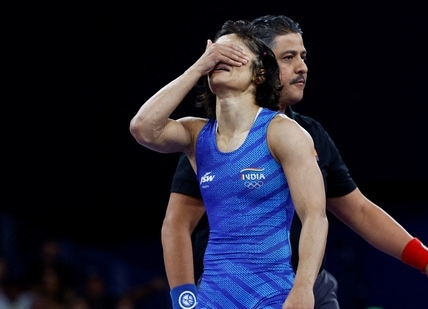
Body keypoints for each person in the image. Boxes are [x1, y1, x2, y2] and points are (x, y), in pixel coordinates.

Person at [161, 15, 428, 309]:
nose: (302, 67)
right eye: (288, 58)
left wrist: (427, 260)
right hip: (232, 291)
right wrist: (185, 299)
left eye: (303, 57)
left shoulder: (308, 134)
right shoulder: (213, 139)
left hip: (306, 288)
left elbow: (359, 211)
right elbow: (176, 225)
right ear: (259, 64)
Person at [130, 19, 328, 309]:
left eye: (231, 53)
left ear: (259, 72)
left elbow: (315, 217)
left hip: (272, 294)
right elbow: (143, 128)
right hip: (213, 297)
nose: (218, 59)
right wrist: (198, 67)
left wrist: (303, 289)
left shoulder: (283, 132)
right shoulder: (196, 135)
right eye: (215, 55)